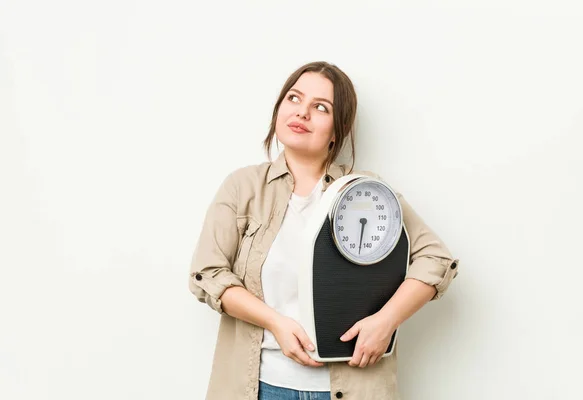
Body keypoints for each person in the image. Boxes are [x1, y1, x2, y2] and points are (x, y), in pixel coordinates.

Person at [188, 61, 460, 400]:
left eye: (320, 107)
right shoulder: (243, 188)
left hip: (354, 387)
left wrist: (386, 321)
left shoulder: (367, 192)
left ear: (337, 130)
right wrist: (276, 323)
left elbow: (436, 259)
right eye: (294, 98)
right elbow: (207, 273)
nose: (302, 113)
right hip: (259, 387)